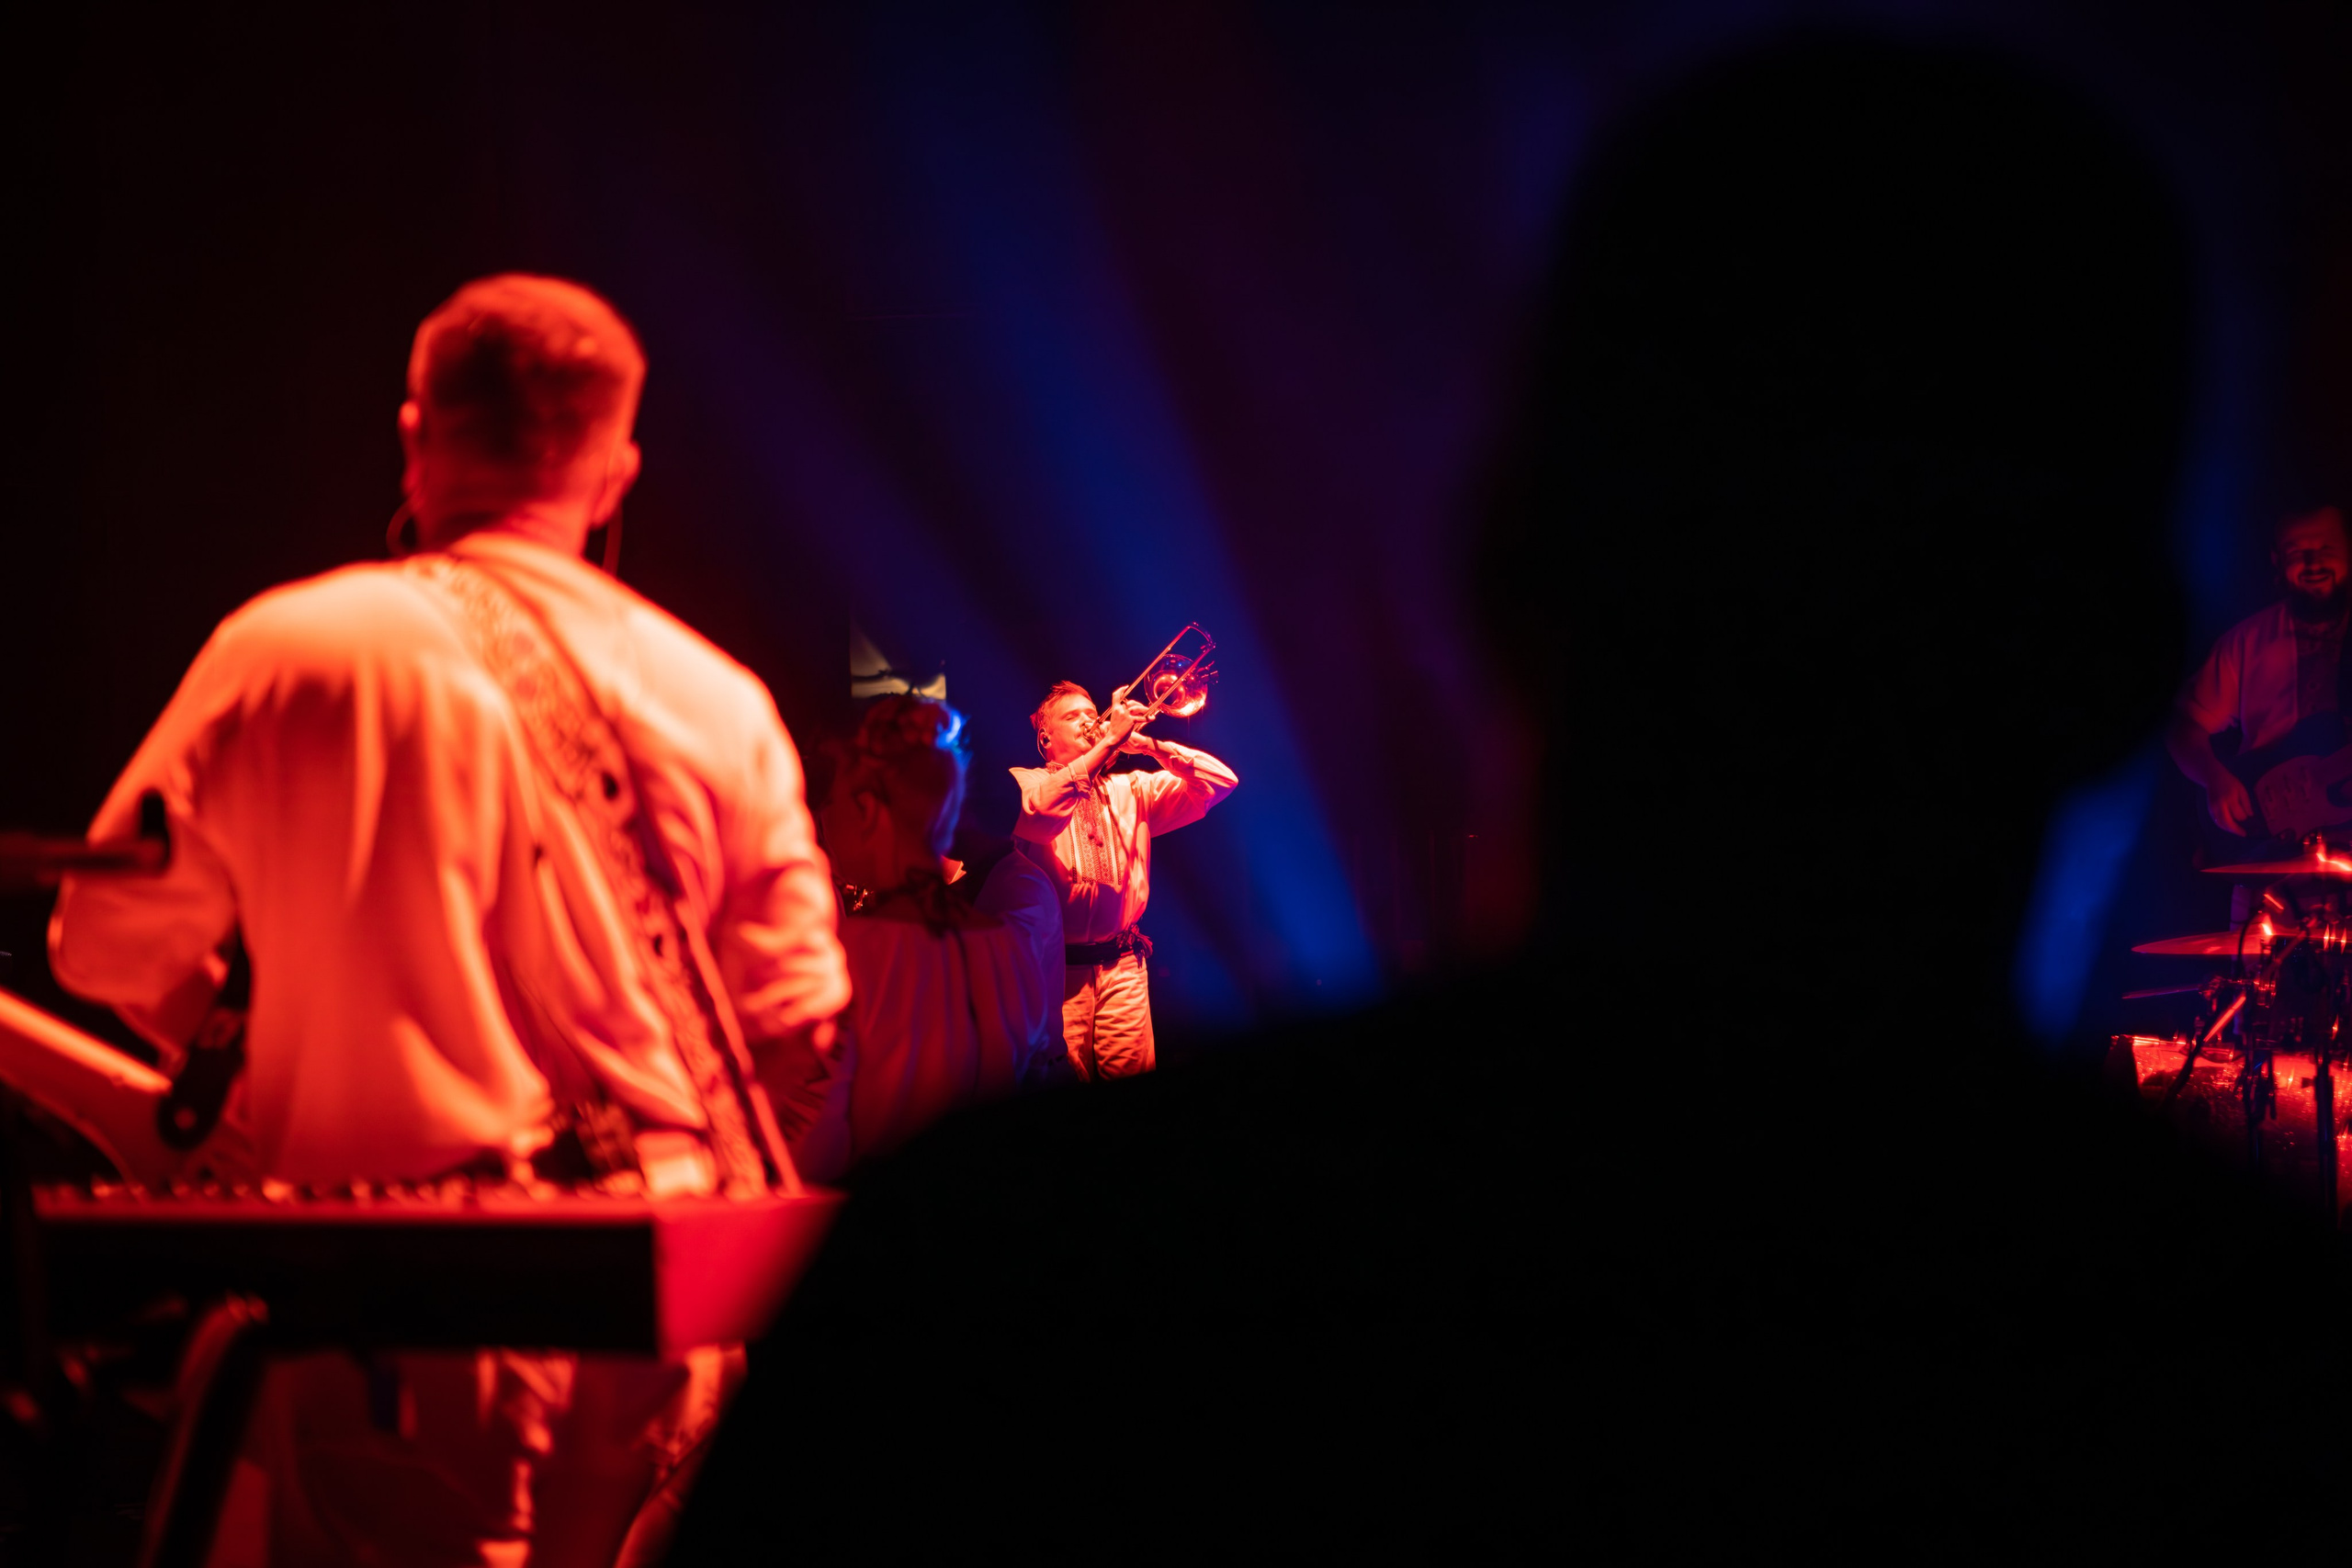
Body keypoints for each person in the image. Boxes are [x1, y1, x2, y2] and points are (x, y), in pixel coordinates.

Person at [673, 38, 2349, 1559]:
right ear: (2134, 662)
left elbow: (1214, 780)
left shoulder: (1009, 1264)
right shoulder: (2256, 1355)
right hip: (1077, 968)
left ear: (1504, 574)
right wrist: (1096, 735)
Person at [49, 274, 848, 1566]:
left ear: (417, 433)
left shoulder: (292, 648)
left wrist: (259, 1059)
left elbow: (100, 941)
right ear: (615, 471)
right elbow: (799, 1023)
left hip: (408, 1305)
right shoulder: (718, 692)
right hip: (661, 1286)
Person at [763, 694, 1066, 1180]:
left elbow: (812, 1152)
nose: (822, 814)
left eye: (831, 798)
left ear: (866, 810)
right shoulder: (1008, 951)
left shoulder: (843, 961)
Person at [1010, 681, 1237, 1078]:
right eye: (1072, 716)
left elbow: (1220, 783)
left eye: (1091, 712)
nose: (1089, 721)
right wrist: (1107, 744)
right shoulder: (1026, 781)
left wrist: (1148, 747)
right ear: (1045, 738)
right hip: (1054, 974)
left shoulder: (1130, 788)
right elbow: (1043, 814)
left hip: (1123, 968)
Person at [2166, 503, 2352, 842]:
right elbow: (2183, 727)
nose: (2313, 563)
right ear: (2277, 561)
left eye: (2326, 549)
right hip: (2268, 851)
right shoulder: (2246, 641)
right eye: (2297, 552)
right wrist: (2214, 777)